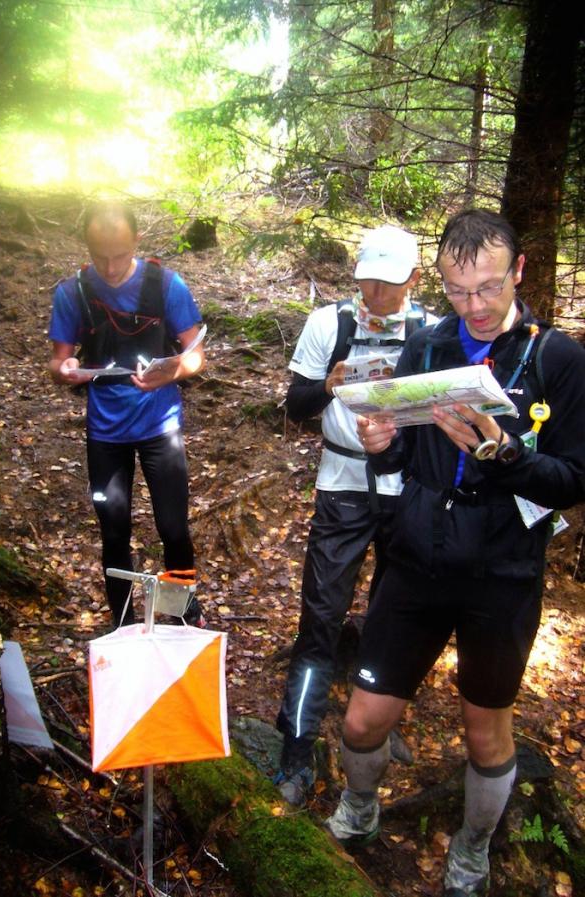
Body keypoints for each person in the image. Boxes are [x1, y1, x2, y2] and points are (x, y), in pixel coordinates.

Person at [324, 209, 585, 896]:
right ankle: (360, 802)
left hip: (502, 572)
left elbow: (574, 478)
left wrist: (507, 454)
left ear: (519, 271)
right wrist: (384, 442)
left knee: (486, 734)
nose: (473, 306)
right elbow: (408, 443)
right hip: (416, 556)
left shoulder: (557, 358)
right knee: (361, 718)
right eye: (458, 291)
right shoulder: (433, 343)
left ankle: (471, 847)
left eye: (489, 289)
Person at [274, 224, 438, 805]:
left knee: (392, 618)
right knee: (320, 619)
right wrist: (328, 383)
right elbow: (294, 406)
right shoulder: (330, 323)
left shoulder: (431, 332)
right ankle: (295, 746)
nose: (375, 293)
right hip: (341, 484)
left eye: (389, 283)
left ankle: (374, 727)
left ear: (414, 280)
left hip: (408, 491)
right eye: (368, 279)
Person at [48, 203, 206, 628]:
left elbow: (197, 356)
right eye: (100, 255)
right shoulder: (73, 292)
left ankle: (181, 615)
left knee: (173, 527)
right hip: (106, 430)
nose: (111, 266)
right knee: (114, 530)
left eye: (119, 254)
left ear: (137, 240)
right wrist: (65, 372)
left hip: (160, 425)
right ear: (87, 248)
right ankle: (121, 623)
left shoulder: (166, 285)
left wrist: (172, 369)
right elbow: (58, 361)